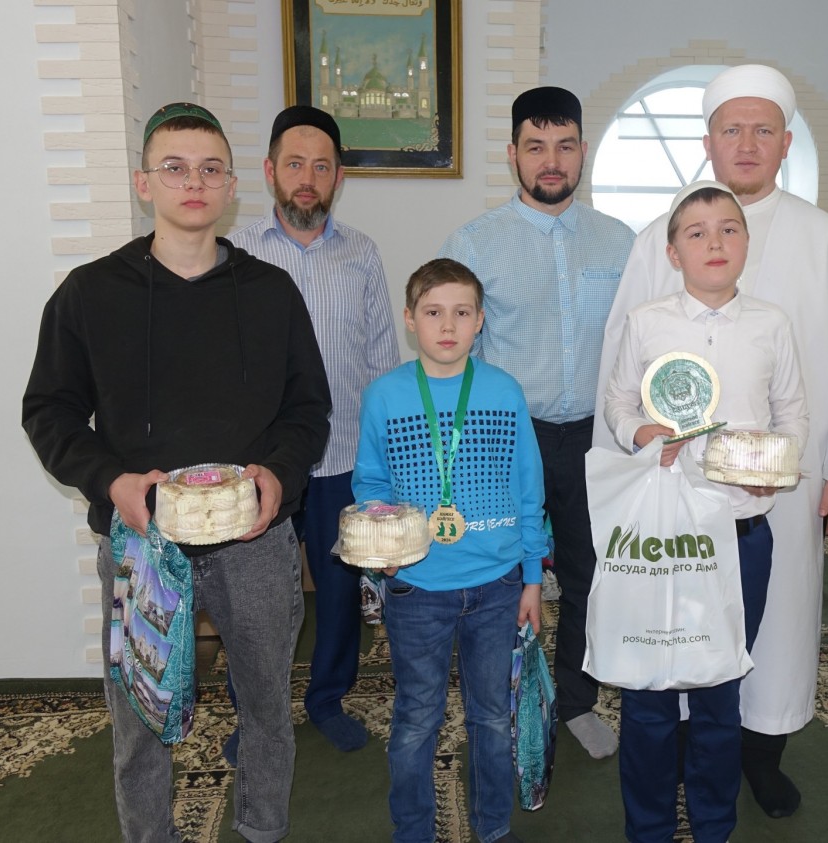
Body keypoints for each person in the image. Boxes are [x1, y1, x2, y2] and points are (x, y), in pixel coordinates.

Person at [22, 102, 331, 843]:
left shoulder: (272, 293)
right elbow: (49, 410)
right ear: (144, 183)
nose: (194, 182)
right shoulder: (89, 294)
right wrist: (111, 482)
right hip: (143, 543)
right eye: (175, 168)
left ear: (230, 186)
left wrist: (278, 477)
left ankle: (262, 828)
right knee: (139, 719)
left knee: (266, 707)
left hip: (254, 539)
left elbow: (308, 408)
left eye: (210, 168)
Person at [594, 65, 828, 817]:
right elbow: (619, 367)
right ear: (709, 143)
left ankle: (762, 755)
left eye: (763, 130)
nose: (747, 143)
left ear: (786, 142)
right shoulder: (661, 236)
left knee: (774, 623)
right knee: (675, 627)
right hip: (674, 491)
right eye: (732, 129)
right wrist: (624, 478)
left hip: (782, 484)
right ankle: (681, 757)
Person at [601, 181, 807, 842]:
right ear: (673, 252)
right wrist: (642, 433)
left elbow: (793, 414)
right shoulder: (647, 322)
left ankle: (715, 826)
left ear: (746, 243)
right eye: (696, 233)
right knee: (649, 693)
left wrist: (773, 464)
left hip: (741, 537)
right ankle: (649, 828)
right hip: (665, 539)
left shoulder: (772, 324)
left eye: (728, 229)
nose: (714, 242)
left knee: (721, 693)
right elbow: (618, 401)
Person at [439, 86, 635, 759]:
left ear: (583, 151)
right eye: (536, 146)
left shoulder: (621, 242)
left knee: (588, 575)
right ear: (513, 154)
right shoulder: (473, 243)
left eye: (565, 145)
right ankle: (499, 707)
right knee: (498, 581)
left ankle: (576, 702)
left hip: (595, 439)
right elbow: (454, 350)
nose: (552, 160)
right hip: (506, 439)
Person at [353, 258, 545, 843]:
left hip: (498, 584)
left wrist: (532, 577)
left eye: (462, 312)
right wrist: (383, 549)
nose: (448, 325)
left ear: (479, 321)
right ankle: (412, 830)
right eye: (433, 312)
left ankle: (493, 827)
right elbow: (370, 484)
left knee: (492, 716)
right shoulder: (384, 396)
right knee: (416, 717)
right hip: (417, 585)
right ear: (410, 319)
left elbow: (528, 488)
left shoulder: (503, 391)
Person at [228, 104, 399, 754]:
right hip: (260, 463)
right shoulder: (235, 254)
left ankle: (327, 698)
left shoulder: (362, 254)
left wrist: (386, 459)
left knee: (339, 593)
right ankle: (257, 714)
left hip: (343, 457)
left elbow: (382, 359)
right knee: (255, 600)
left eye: (321, 167)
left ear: (338, 177)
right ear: (270, 171)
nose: (307, 179)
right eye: (295, 164)